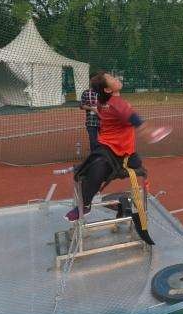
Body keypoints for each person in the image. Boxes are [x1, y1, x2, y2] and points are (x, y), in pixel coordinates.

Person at [66, 72, 157, 222]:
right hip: (108, 148)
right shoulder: (115, 103)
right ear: (108, 90)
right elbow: (132, 117)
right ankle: (85, 205)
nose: (116, 78)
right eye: (112, 79)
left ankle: (88, 199)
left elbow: (123, 115)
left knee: (129, 164)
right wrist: (146, 129)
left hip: (123, 150)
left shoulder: (106, 102)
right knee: (97, 168)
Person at [80, 75, 100, 152]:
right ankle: (94, 156)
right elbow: (82, 105)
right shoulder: (86, 93)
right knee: (93, 141)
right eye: (92, 81)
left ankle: (105, 156)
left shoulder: (103, 93)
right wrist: (92, 108)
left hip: (103, 121)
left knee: (105, 140)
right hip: (91, 121)